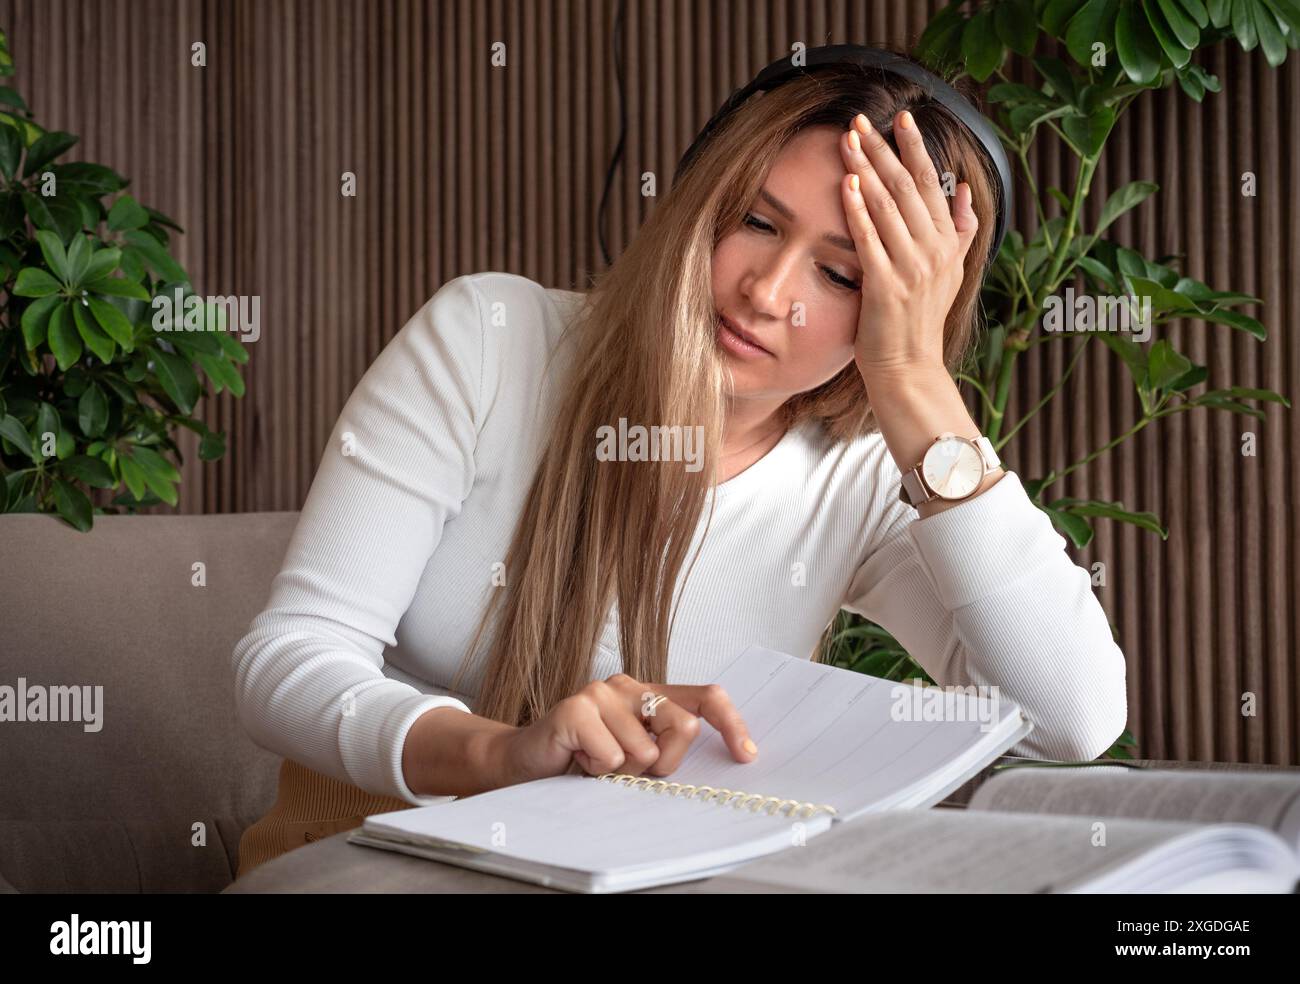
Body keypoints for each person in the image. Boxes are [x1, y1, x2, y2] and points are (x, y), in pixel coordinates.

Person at [231, 57, 1128, 878]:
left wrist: (913, 380)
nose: (767, 293)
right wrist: (502, 754)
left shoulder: (863, 476)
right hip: (367, 862)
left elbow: (1072, 718)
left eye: (842, 277)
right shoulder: (488, 341)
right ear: (702, 195)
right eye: (756, 222)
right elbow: (288, 660)